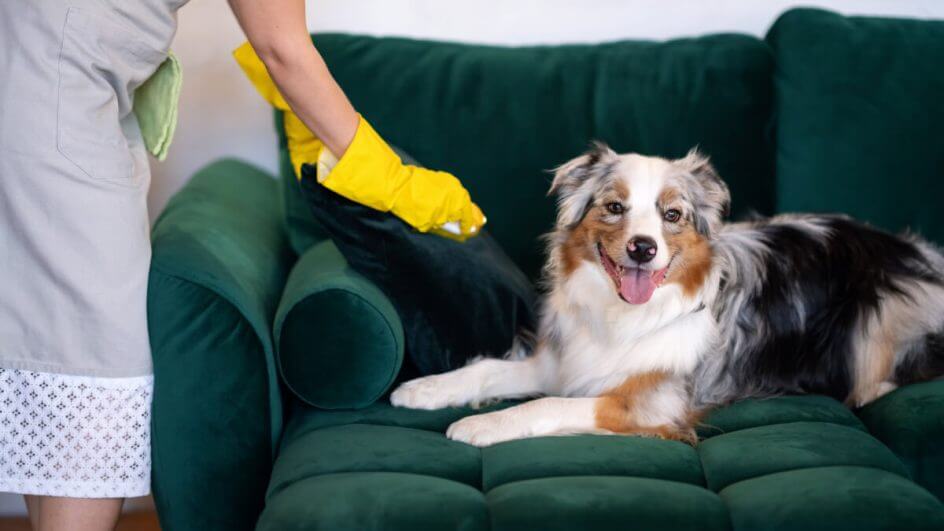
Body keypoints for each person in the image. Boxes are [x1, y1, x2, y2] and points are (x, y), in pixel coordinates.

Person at [0, 1, 473, 529]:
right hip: (54, 96)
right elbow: (282, 48)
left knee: (50, 355)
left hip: (52, 85)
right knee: (94, 367)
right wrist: (391, 180)